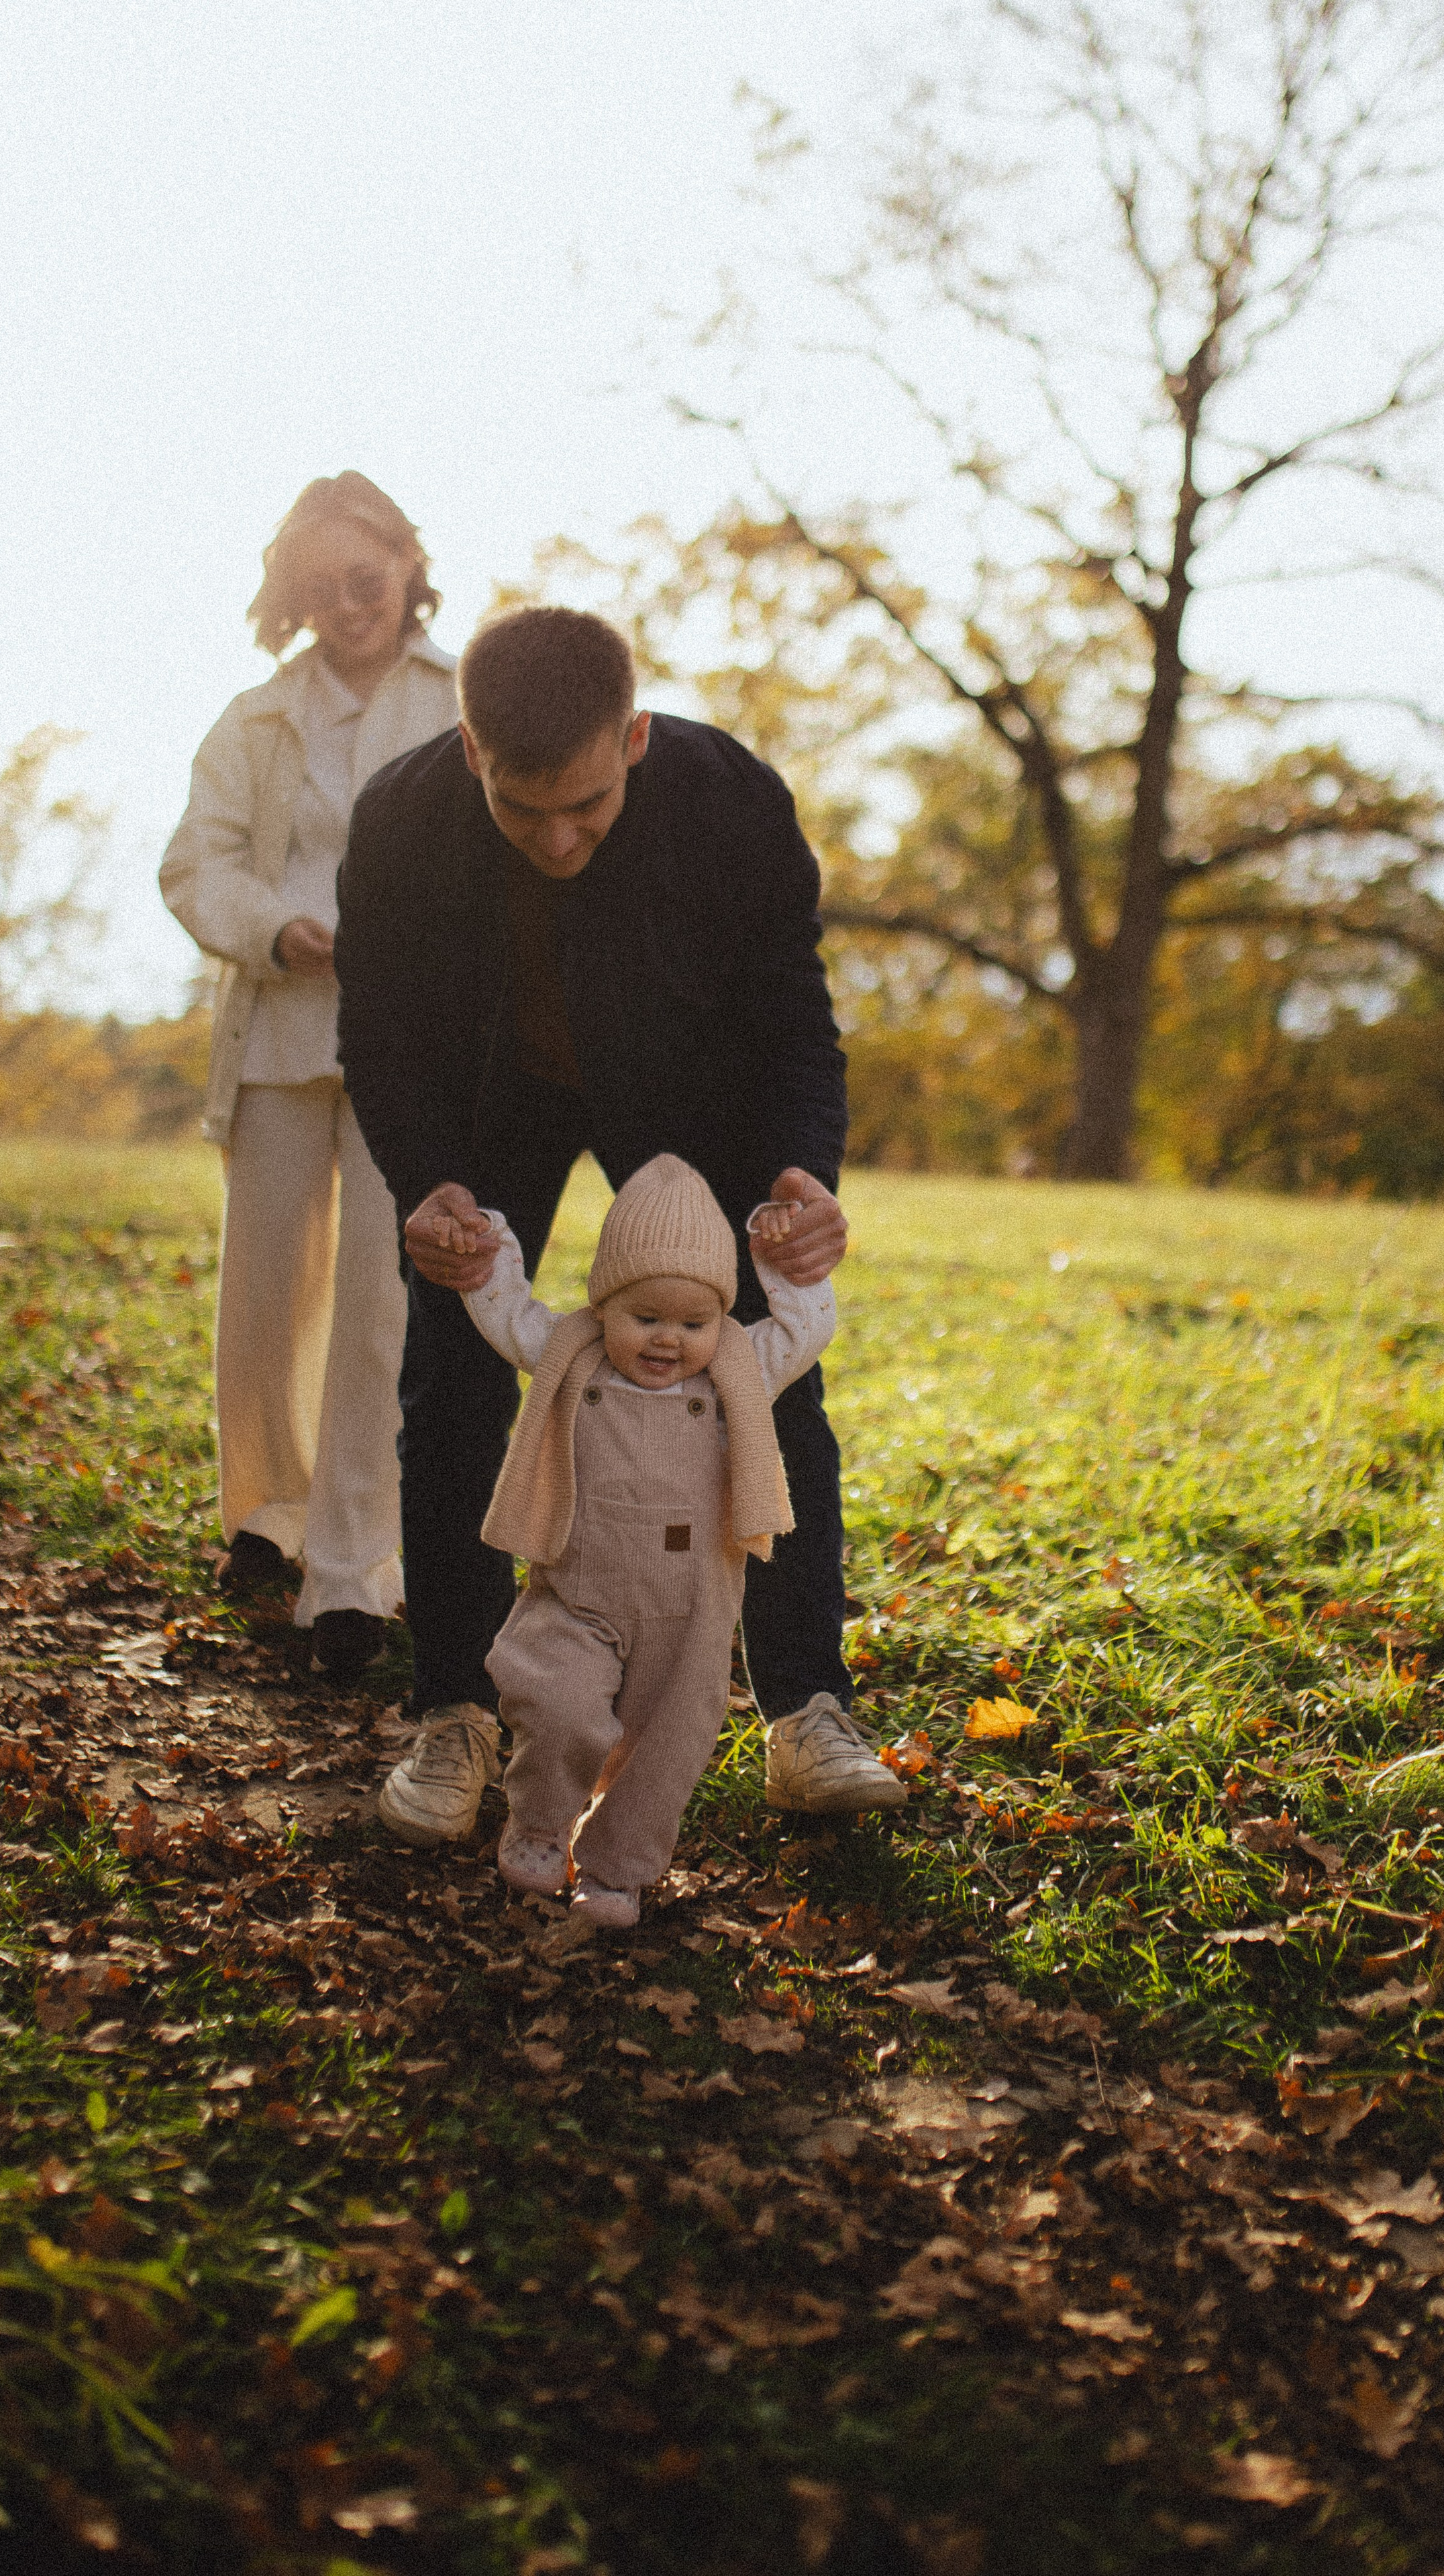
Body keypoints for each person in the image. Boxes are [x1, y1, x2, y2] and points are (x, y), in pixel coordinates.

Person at [334, 603, 903, 1835]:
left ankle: (805, 1704)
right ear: (473, 753)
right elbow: (380, 1038)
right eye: (522, 807)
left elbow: (794, 1015)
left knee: (765, 1374)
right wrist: (427, 1178)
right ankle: (455, 1712)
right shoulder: (394, 821)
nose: (556, 835)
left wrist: (801, 1176)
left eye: (586, 804)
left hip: (694, 1097)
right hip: (492, 1101)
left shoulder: (731, 800)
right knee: (453, 1377)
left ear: (634, 736)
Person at [160, 473, 459, 1682]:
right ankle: (266, 1515)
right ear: (293, 593)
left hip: (412, 1039)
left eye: (367, 579)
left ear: (405, 569)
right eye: (322, 585)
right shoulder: (255, 719)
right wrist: (280, 927)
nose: (348, 604)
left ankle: (349, 1571)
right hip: (283, 1029)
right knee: (270, 1292)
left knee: (382, 1310)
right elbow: (197, 866)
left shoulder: (459, 700)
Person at [459, 1152, 884, 1925]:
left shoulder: (740, 1367)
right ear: (603, 1304)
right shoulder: (570, 1352)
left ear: (719, 1317)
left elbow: (809, 1325)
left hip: (691, 1605)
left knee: (668, 1743)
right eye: (644, 1317)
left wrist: (773, 1253)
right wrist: (491, 1246)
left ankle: (618, 1867)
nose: (667, 1341)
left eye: (693, 1322)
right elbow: (504, 1310)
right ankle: (540, 1821)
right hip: (577, 1585)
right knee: (554, 1703)